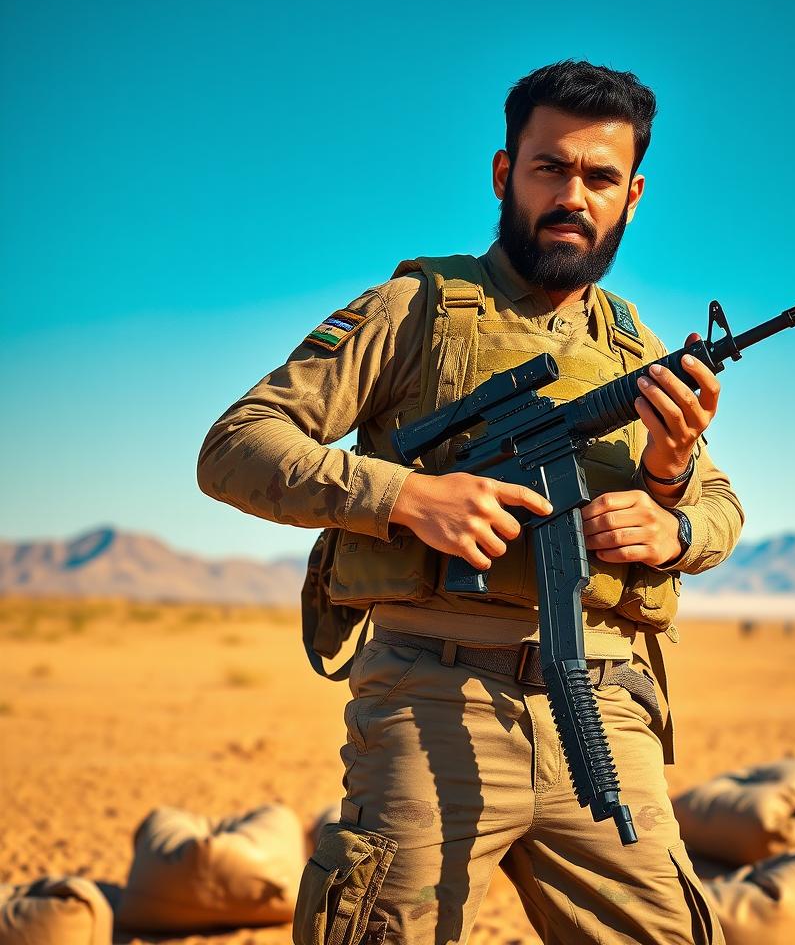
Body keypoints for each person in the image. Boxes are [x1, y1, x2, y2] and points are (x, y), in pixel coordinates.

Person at [198, 60, 744, 945]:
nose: (575, 195)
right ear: (504, 174)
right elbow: (236, 445)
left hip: (605, 709)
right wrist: (407, 496)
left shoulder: (634, 342)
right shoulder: (418, 306)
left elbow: (719, 510)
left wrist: (671, 501)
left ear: (632, 194)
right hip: (431, 699)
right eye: (550, 168)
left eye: (600, 177)